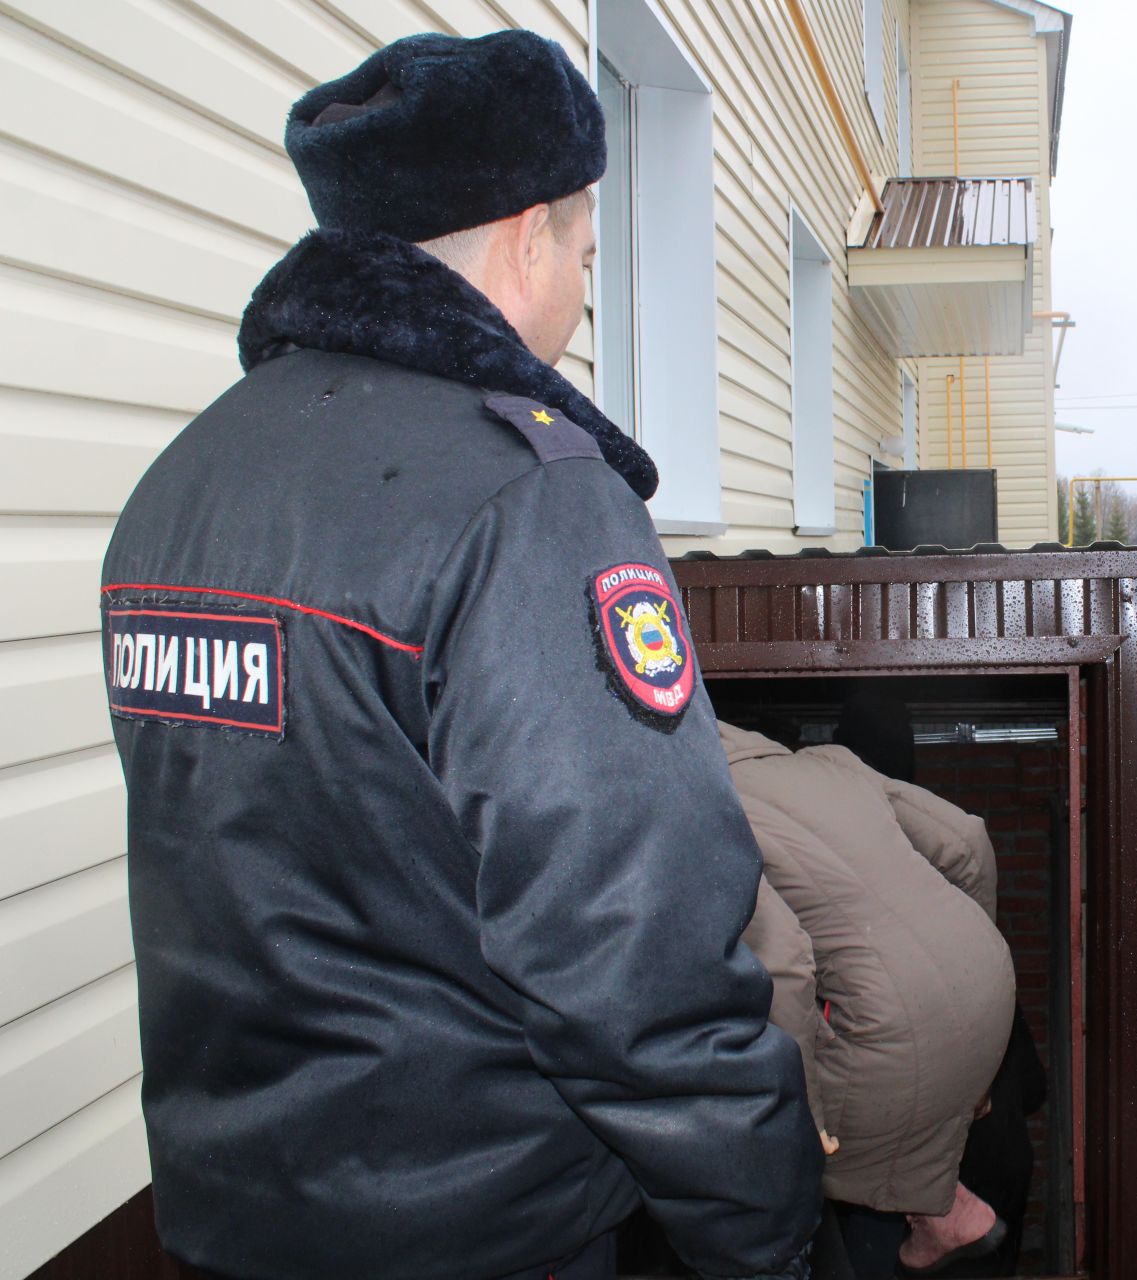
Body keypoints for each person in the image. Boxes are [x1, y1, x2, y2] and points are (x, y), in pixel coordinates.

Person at [99, 31, 819, 1280]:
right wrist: (770, 1239)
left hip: (231, 1215)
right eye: (588, 254)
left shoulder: (181, 483)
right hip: (478, 1226)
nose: (584, 293)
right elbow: (637, 952)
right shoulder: (529, 496)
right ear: (527, 233)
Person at [718, 721, 1016, 1278]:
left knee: (785, 1168)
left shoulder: (710, 809)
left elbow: (782, 962)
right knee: (900, 1120)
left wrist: (805, 1123)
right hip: (990, 989)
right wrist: (963, 973)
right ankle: (947, 1211)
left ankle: (934, 1213)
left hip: (899, 1030)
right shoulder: (834, 762)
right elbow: (969, 843)